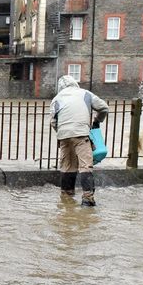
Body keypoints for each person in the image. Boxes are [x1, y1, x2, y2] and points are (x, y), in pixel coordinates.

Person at [50, 75, 109, 206]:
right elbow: (104, 108)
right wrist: (96, 121)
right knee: (85, 166)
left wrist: (63, 132)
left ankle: (67, 196)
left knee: (67, 166)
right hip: (81, 135)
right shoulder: (85, 94)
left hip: (64, 136)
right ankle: (88, 198)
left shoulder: (56, 99)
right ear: (74, 84)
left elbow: (53, 122)